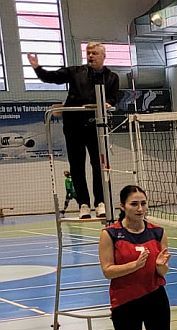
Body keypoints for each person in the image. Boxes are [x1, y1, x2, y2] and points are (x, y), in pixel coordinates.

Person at [98, 185, 177, 330]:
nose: (140, 208)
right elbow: (107, 271)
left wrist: (161, 266)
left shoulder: (157, 232)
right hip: (125, 302)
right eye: (134, 204)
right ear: (123, 206)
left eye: (143, 203)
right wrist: (134, 265)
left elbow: (163, 270)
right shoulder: (110, 234)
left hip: (155, 298)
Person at [28, 43, 119, 219]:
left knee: (99, 165)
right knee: (76, 167)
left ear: (103, 56)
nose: (90, 56)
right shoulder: (75, 72)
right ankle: (83, 204)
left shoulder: (112, 77)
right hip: (74, 127)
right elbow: (52, 77)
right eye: (88, 53)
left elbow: (114, 98)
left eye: (94, 53)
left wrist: (109, 103)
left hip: (97, 126)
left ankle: (100, 202)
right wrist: (37, 68)